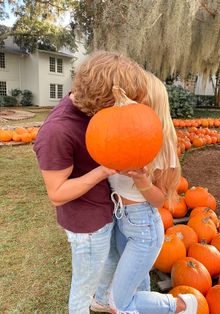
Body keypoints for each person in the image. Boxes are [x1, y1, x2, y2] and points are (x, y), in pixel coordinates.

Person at [33, 51, 149, 314]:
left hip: (102, 212)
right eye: (123, 99)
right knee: (82, 289)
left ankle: (100, 299)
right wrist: (103, 170)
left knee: (106, 265)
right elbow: (57, 193)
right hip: (86, 225)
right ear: (105, 97)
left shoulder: (91, 110)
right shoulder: (57, 131)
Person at [91, 72, 198, 314]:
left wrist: (142, 180)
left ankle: (181, 306)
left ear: (151, 104)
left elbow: (160, 200)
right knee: (133, 291)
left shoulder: (161, 144)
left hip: (143, 227)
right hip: (120, 220)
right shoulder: (122, 135)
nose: (130, 102)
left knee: (117, 303)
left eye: (138, 98)